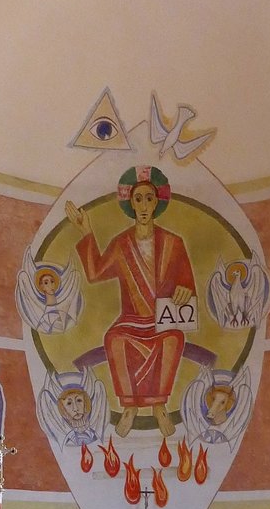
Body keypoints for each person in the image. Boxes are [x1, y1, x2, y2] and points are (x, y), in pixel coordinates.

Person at [65, 165, 195, 438]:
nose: (144, 205)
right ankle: (129, 406)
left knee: (173, 339)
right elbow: (95, 273)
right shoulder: (121, 244)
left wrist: (185, 291)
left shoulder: (174, 243)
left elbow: (188, 286)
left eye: (149, 198)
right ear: (131, 204)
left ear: (157, 202)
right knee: (115, 338)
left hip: (162, 319)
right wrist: (86, 233)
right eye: (138, 199)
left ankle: (159, 405)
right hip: (131, 319)